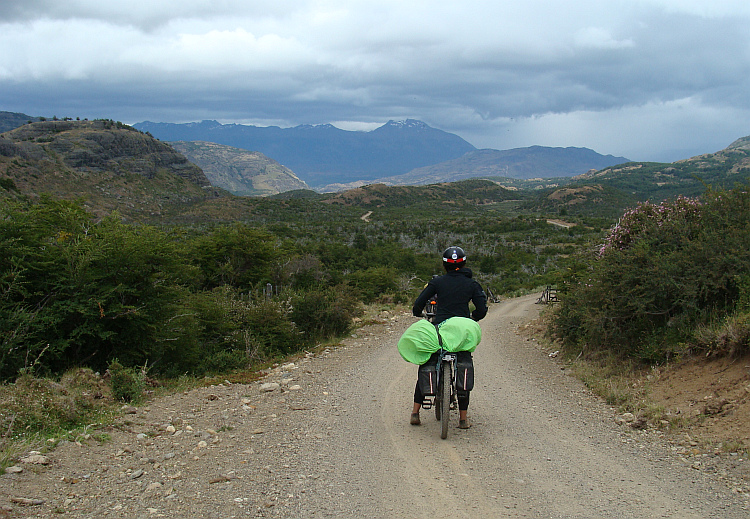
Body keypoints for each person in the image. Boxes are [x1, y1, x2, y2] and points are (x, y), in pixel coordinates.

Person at [410, 246, 487, 429]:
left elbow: (418, 304)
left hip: (441, 330)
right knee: (464, 362)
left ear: (444, 265)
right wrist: (472, 318)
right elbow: (482, 310)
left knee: (428, 362)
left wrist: (418, 313)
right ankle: (463, 418)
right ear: (464, 263)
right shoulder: (472, 284)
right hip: (461, 332)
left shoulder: (437, 283)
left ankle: (415, 412)